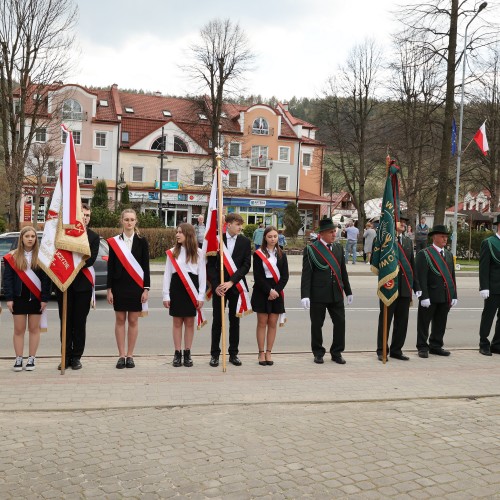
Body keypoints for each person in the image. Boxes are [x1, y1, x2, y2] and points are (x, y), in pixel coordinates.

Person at [301, 217, 353, 365]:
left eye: (334, 232)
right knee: (317, 324)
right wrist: (305, 295)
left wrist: (348, 291)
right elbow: (307, 274)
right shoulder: (311, 249)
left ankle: (337, 352)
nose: (334, 235)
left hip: (336, 292)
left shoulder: (338, 248)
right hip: (318, 294)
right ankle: (318, 352)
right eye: (331, 232)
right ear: (322, 233)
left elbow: (343, 271)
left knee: (340, 323)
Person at [56, 203, 100, 370]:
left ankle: (76, 357)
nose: (85, 218)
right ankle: (65, 357)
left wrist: (73, 260)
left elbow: (91, 259)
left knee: (79, 323)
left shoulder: (94, 237)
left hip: (82, 286)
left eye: (88, 215)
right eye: (82, 215)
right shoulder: (64, 235)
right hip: (65, 285)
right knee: (65, 322)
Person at [107, 209, 150, 369]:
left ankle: (130, 355)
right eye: (126, 219)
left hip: (136, 287)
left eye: (132, 220)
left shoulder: (142, 241)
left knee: (133, 320)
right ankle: (121, 355)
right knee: (119, 320)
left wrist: (146, 289)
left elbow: (146, 266)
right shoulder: (114, 242)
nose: (129, 222)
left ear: (136, 221)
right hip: (119, 286)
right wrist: (109, 289)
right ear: (122, 221)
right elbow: (110, 266)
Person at [207, 213, 252, 367]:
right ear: (228, 224)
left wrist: (232, 282)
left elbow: (246, 265)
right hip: (219, 288)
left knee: (235, 321)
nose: (240, 227)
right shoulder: (217, 240)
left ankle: (233, 354)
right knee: (217, 322)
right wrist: (216, 285)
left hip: (235, 287)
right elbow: (210, 265)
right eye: (237, 224)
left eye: (241, 224)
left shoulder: (245, 242)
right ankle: (214, 355)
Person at [3, 226, 51, 372]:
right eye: (27, 236)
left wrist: (44, 298)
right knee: (19, 329)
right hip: (19, 298)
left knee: (34, 329)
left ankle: (31, 358)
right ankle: (18, 358)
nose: (30, 239)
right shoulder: (12, 257)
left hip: (36, 298)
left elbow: (46, 280)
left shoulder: (42, 257)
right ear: (21, 239)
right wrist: (9, 298)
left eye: (33, 236)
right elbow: (8, 279)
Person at [376, 217, 421, 361]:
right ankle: (381, 350)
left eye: (404, 222)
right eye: (399, 221)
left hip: (405, 287)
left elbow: (412, 265)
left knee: (402, 321)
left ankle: (396, 350)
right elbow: (377, 261)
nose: (403, 223)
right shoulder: (385, 240)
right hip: (389, 286)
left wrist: (416, 286)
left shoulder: (407, 241)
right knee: (385, 320)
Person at [163, 223, 206, 367]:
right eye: (177, 232)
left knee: (189, 322)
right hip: (176, 287)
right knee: (177, 322)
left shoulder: (199, 253)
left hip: (192, 288)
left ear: (188, 234)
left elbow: (202, 276)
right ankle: (177, 353)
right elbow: (167, 275)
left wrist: (200, 296)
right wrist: (165, 295)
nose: (177, 235)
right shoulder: (172, 252)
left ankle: (187, 353)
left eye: (180, 232)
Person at [415, 224, 457, 358]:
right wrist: (424, 296)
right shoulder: (424, 254)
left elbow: (452, 276)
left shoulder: (449, 255)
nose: (445, 239)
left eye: (446, 237)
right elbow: (421, 277)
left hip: (445, 295)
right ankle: (422, 346)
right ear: (434, 237)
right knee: (424, 322)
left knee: (440, 322)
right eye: (442, 237)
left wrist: (454, 294)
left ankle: (436, 345)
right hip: (430, 295)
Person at [251, 226, 289, 366]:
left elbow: (285, 276)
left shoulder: (281, 254)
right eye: (270, 237)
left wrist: (276, 291)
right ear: (265, 238)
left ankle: (269, 352)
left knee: (272, 323)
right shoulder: (258, 254)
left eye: (275, 236)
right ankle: (261, 353)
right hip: (262, 291)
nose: (273, 239)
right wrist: (269, 291)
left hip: (277, 291)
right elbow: (258, 276)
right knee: (262, 323)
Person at [478, 214, 500, 356]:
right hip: (493, 287)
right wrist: (484, 286)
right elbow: (484, 267)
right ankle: (483, 343)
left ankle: (497, 343)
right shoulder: (489, 242)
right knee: (489, 315)